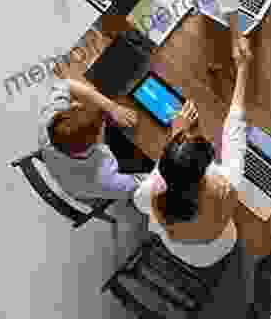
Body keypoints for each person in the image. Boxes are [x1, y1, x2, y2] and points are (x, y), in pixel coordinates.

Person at [132, 37, 252, 272]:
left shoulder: (149, 194)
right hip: (218, 247)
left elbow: (157, 181)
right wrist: (243, 67)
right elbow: (234, 127)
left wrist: (176, 137)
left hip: (180, 249)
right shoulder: (226, 186)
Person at [39, 73, 142, 201]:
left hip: (63, 166)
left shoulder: (49, 123)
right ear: (98, 139)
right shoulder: (105, 180)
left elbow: (66, 84)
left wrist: (112, 107)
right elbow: (143, 188)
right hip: (86, 184)